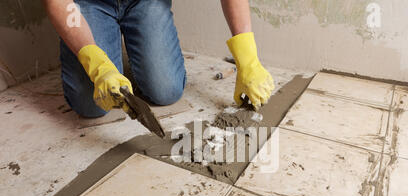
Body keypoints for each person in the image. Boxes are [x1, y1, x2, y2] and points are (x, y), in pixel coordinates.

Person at [42, 0, 274, 118]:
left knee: (166, 90)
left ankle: (129, 58)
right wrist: (96, 64)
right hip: (87, 4)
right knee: (90, 106)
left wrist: (248, 58)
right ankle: (102, 53)